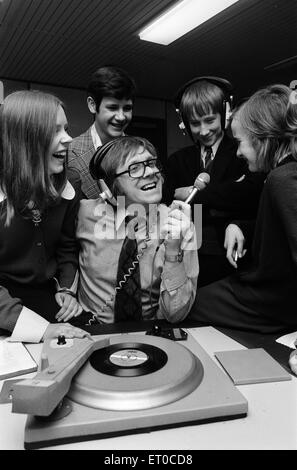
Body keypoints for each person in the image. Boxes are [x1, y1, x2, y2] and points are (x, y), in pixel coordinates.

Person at [189, 84, 297, 333]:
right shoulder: (280, 174)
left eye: (240, 143)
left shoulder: (283, 178)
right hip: (269, 296)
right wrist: (243, 227)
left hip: (269, 302)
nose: (237, 152)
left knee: (183, 306)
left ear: (263, 139)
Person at [76, 136, 198, 324]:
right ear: (108, 187)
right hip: (91, 332)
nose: (151, 172)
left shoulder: (179, 225)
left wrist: (173, 250)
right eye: (135, 168)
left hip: (152, 335)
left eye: (151, 163)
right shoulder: (84, 212)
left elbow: (176, 315)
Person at [0, 90, 89, 343]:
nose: (68, 138)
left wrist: (66, 290)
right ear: (23, 139)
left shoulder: (71, 183)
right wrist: (41, 330)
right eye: (55, 131)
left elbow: (67, 247)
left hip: (45, 293)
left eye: (66, 128)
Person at [163, 76, 265, 287]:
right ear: (184, 123)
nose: (203, 131)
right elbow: (167, 202)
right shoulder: (176, 160)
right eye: (195, 123)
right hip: (186, 260)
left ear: (225, 114)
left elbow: (252, 198)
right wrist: (225, 198)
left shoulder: (244, 154)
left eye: (210, 120)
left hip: (231, 263)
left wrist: (196, 195)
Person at [68, 65, 136, 199]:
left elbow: (150, 208)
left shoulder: (140, 153)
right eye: (113, 108)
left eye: (127, 108)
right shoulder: (68, 153)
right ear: (92, 105)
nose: (121, 117)